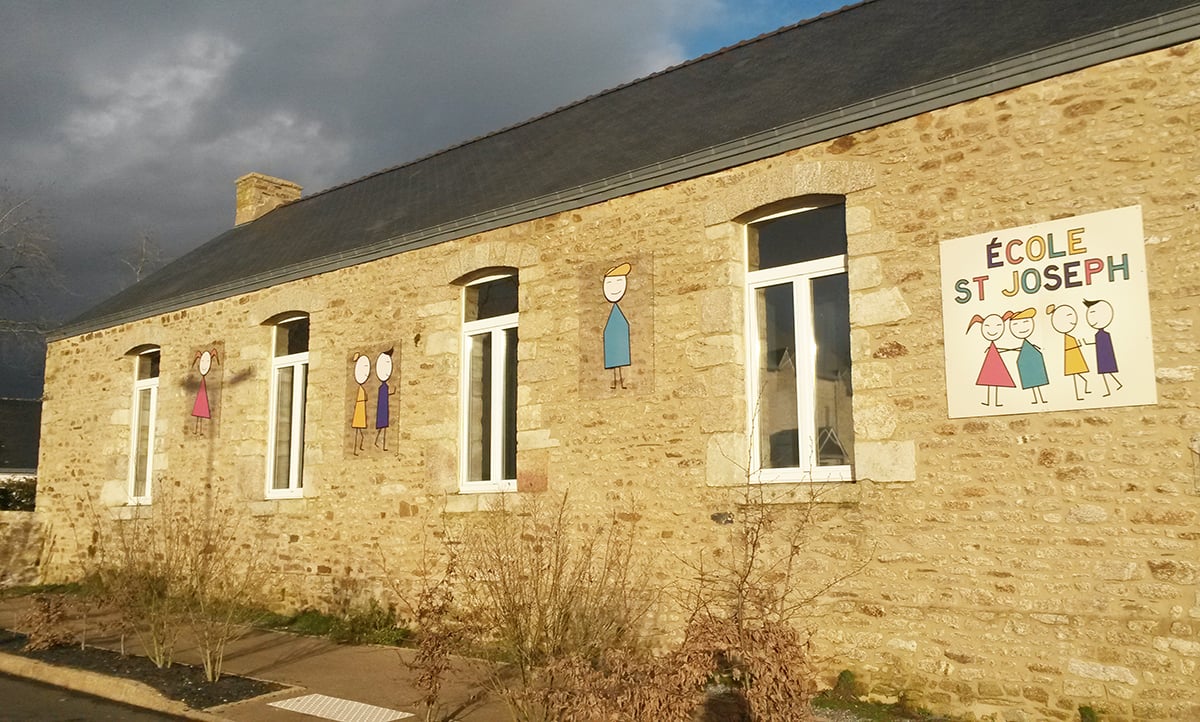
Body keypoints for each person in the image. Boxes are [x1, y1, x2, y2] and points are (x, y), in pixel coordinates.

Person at [967, 312, 1015, 407]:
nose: (992, 330)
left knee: (995, 382)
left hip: (995, 362)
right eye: (987, 326)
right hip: (990, 363)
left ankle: (995, 401)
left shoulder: (994, 348)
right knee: (990, 382)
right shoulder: (989, 348)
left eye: (998, 325)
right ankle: (989, 401)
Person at [1048, 303, 1090, 401]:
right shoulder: (1067, 338)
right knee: (1076, 378)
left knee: (1079, 377)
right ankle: (1078, 394)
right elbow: (1068, 349)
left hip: (1075, 358)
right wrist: (1078, 346)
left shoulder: (1070, 337)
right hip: (1072, 360)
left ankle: (1083, 390)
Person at [1007, 308, 1049, 404]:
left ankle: (1041, 399)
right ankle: (1037, 399)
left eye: (1026, 322)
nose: (1022, 327)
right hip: (1028, 364)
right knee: (1034, 384)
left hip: (1033, 364)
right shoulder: (1025, 347)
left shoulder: (1029, 346)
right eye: (1016, 324)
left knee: (1037, 383)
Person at [1083, 299, 1123, 397]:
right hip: (1101, 355)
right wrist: (1087, 343)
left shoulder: (1105, 335)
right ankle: (1116, 385)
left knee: (1106, 372)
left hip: (1104, 355)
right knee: (1106, 373)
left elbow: (1104, 345)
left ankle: (1113, 387)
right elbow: (1097, 343)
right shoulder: (1099, 335)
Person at [603, 263, 631, 389]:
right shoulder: (614, 315)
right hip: (614, 345)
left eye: (619, 281)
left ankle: (620, 382)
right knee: (615, 365)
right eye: (610, 284)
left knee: (619, 364)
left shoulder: (618, 314)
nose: (615, 288)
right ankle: (615, 383)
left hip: (618, 345)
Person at [351, 353, 370, 454]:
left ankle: (358, 447)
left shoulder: (361, 388)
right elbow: (362, 399)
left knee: (359, 433)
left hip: (360, 412)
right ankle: (357, 448)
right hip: (359, 413)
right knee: (359, 432)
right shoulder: (360, 389)